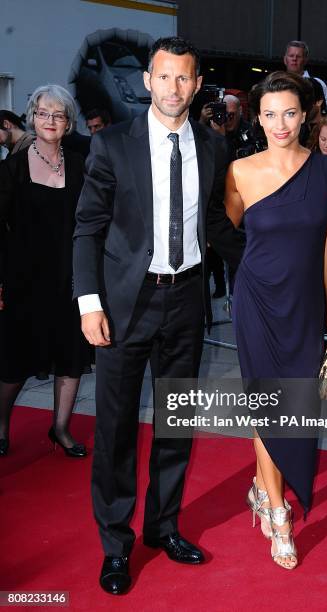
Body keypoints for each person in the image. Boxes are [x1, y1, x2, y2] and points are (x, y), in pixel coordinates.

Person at [73, 36, 243, 595]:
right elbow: (88, 229)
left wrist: (268, 260)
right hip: (125, 303)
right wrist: (89, 301)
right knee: (117, 429)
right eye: (163, 77)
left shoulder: (213, 146)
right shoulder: (114, 144)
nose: (173, 88)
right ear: (148, 80)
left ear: (197, 85)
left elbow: (214, 224)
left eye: (183, 78)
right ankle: (115, 545)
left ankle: (163, 528)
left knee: (176, 423)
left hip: (187, 300)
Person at [225, 72, 327, 569]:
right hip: (257, 302)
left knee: (294, 409)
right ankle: (278, 516)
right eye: (270, 113)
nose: (281, 123)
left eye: (291, 113)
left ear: (306, 115)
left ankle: (261, 485)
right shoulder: (239, 171)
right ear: (257, 117)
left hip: (303, 306)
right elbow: (228, 229)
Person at [0, 85, 91, 459]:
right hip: (24, 278)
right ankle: (1, 426)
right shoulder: (12, 167)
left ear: (68, 122)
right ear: (32, 117)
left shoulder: (82, 162)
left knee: (71, 356)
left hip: (70, 277)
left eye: (57, 115)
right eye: (42, 113)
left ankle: (61, 429)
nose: (49, 121)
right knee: (15, 359)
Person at [283, 40, 327, 106]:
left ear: (305, 60)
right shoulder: (275, 83)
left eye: (298, 56)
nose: (294, 59)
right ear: (285, 60)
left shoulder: (318, 84)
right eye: (291, 56)